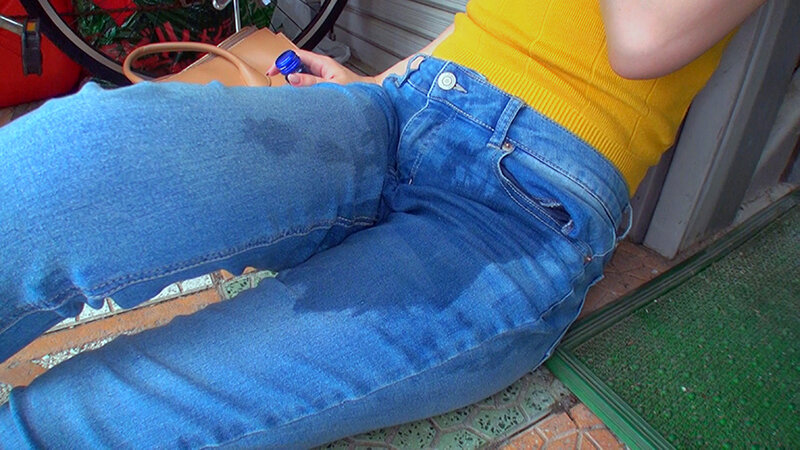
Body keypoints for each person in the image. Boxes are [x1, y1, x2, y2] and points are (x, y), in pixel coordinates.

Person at [0, 0, 766, 446]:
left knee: (101, 416)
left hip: (523, 210)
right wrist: (380, 79)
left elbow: (645, 40)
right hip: (406, 108)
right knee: (64, 161)